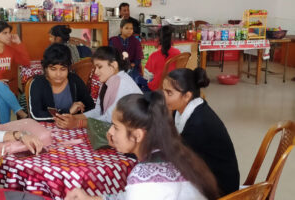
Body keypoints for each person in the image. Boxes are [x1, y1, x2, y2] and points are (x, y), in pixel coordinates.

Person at [65, 92, 219, 200]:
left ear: (138, 135)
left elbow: (142, 191)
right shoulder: (178, 155)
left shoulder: (143, 177)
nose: (110, 132)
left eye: (116, 127)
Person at [162, 68, 240, 196]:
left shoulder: (198, 124)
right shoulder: (184, 109)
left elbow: (176, 157)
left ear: (187, 96)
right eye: (163, 90)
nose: (163, 96)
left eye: (169, 93)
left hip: (220, 189)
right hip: (205, 175)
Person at [54, 46, 142, 129]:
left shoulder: (123, 84)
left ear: (114, 65)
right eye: (95, 67)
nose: (96, 72)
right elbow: (98, 111)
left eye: (99, 67)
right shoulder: (107, 81)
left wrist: (77, 123)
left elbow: (109, 120)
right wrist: (72, 118)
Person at [29, 43, 95, 121]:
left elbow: (91, 107)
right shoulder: (37, 84)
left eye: (63, 69)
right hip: (46, 130)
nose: (58, 74)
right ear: (46, 68)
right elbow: (35, 114)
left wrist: (79, 112)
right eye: (53, 69)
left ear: (68, 68)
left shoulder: (75, 81)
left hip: (72, 129)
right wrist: (68, 112)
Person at [0, 20, 29, 124]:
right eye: (4, 33)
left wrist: (19, 44)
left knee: (2, 98)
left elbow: (26, 63)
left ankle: (4, 130)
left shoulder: (11, 49)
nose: (9, 36)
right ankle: (20, 112)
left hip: (7, 89)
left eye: (9, 32)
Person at [143, 25, 180, 91]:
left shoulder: (153, 55)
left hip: (157, 88)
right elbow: (179, 71)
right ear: (171, 38)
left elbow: (147, 76)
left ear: (158, 39)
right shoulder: (178, 53)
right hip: (173, 87)